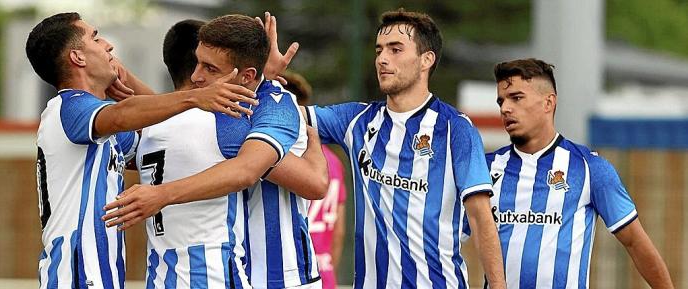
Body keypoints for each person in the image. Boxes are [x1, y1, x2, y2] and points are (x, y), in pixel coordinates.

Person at [28, 12, 257, 289]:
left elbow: (160, 143)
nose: (108, 46)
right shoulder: (69, 107)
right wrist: (195, 96)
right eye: (96, 38)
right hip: (76, 274)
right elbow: (122, 116)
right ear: (78, 58)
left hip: (96, 275)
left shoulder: (102, 129)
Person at [102, 14, 327, 289]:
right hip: (234, 270)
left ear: (246, 75)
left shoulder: (273, 108)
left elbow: (312, 183)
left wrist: (161, 194)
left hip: (283, 275)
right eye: (197, 63)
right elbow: (183, 127)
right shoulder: (211, 114)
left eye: (209, 68)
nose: (197, 77)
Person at [302, 9, 506, 289]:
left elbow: (481, 219)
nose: (382, 59)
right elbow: (292, 116)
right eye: (379, 50)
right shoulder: (356, 121)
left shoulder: (454, 129)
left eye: (396, 49)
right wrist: (269, 81)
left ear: (426, 60)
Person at [480, 58, 674, 288]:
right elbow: (446, 236)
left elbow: (635, 242)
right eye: (501, 101)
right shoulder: (484, 169)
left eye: (517, 98)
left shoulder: (589, 168)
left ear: (548, 103)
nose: (505, 108)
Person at [283, 71, 347, 289]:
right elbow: (338, 229)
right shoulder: (332, 161)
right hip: (324, 273)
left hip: (290, 272)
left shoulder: (279, 157)